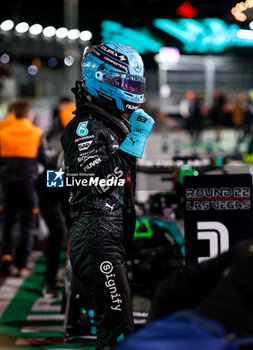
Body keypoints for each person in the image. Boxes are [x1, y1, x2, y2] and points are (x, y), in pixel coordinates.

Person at [61, 43, 154, 350]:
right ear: (101, 79)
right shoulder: (85, 128)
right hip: (96, 238)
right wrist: (134, 142)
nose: (132, 92)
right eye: (126, 84)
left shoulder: (107, 124)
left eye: (135, 85)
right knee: (117, 334)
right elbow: (97, 181)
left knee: (118, 331)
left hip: (108, 236)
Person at [0, 100, 47, 276]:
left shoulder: (2, 132)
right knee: (27, 224)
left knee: (8, 222)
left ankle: (6, 255)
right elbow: (45, 161)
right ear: (29, 114)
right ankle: (21, 265)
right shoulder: (36, 133)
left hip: (7, 185)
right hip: (28, 186)